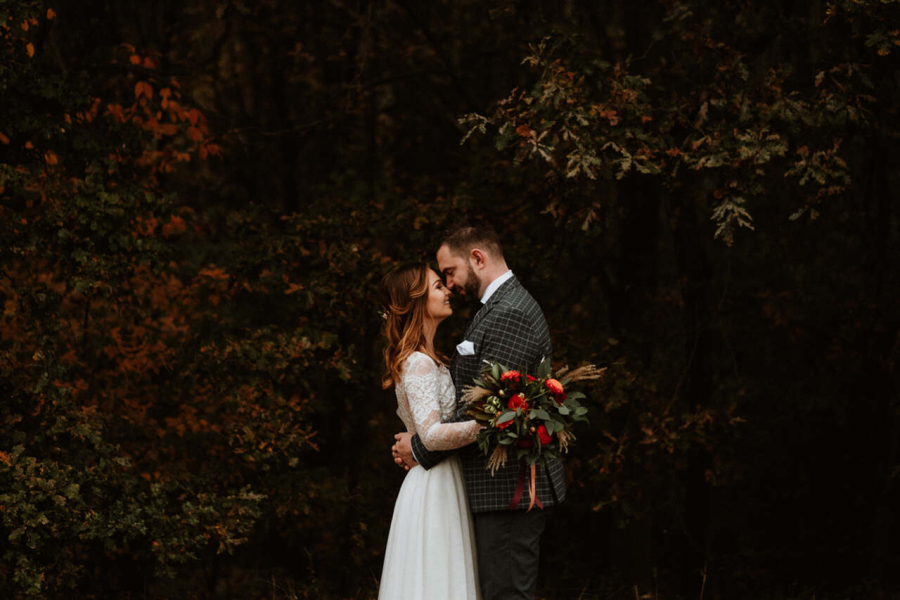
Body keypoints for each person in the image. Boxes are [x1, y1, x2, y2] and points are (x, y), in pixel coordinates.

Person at [392, 225, 565, 600]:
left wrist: (419, 448)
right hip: (489, 488)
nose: (450, 284)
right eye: (441, 280)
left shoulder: (510, 313)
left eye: (449, 273)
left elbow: (492, 408)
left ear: (477, 258)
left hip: (508, 487)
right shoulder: (497, 309)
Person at [377, 263, 483, 600]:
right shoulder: (419, 363)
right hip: (434, 481)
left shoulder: (429, 358)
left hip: (441, 477)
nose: (447, 290)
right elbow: (432, 434)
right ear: (417, 301)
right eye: (438, 286)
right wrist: (489, 425)